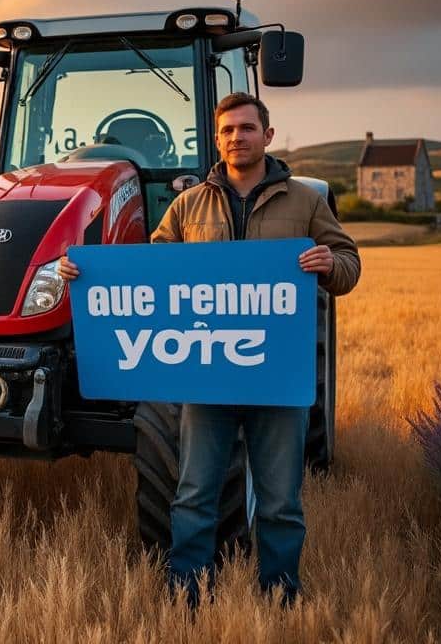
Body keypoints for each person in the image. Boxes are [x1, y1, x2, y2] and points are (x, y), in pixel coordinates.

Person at [59, 92, 360, 604]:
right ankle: (188, 595)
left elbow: (349, 262)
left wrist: (330, 265)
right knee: (194, 495)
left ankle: (281, 596)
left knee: (280, 501)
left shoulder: (305, 201)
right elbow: (148, 279)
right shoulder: (188, 205)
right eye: (227, 131)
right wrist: (86, 274)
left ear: (266, 135)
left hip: (274, 376)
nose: (237, 138)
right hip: (206, 376)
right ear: (216, 140)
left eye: (247, 128)